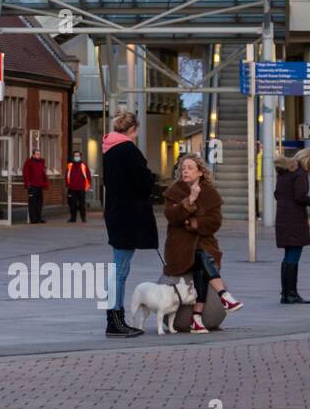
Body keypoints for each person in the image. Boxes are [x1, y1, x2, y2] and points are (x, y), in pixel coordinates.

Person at [162, 153, 243, 333]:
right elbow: (171, 217)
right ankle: (224, 296)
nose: (185, 171)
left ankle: (196, 318)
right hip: (179, 245)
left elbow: (215, 221)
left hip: (205, 242)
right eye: (183, 168)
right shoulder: (174, 191)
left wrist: (193, 223)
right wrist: (190, 199)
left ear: (200, 172)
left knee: (201, 261)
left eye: (190, 168)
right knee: (200, 257)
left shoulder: (210, 193)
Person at [101, 111, 156, 338]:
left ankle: (115, 318)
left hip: (115, 213)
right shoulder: (127, 150)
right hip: (127, 216)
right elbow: (144, 182)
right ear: (133, 129)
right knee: (120, 270)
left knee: (119, 268)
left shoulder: (109, 148)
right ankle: (114, 320)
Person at [274, 148, 310, 305]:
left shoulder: (284, 172)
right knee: (294, 256)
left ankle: (285, 294)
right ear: (307, 161)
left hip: (282, 217)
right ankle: (291, 294)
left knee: (287, 256)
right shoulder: (300, 174)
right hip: (295, 220)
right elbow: (300, 196)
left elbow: (276, 194)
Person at [23, 148, 49, 224]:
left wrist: (45, 184)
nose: (38, 156)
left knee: (39, 203)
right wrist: (28, 184)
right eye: (37, 154)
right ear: (33, 155)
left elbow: (44, 174)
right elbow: (26, 174)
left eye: (39, 154)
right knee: (32, 203)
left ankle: (39, 218)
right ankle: (33, 219)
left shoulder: (41, 162)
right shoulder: (29, 162)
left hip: (40, 186)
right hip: (32, 186)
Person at [65, 151, 90, 223]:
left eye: (78, 155)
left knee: (82, 204)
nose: (77, 157)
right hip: (72, 188)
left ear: (80, 156)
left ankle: (83, 218)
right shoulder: (70, 165)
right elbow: (67, 175)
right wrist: (67, 185)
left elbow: (88, 176)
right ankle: (73, 218)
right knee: (73, 204)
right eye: (75, 156)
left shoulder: (83, 165)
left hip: (82, 188)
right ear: (73, 157)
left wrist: (87, 186)